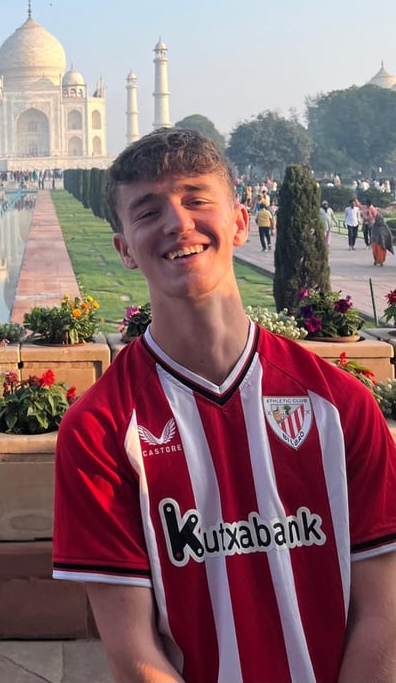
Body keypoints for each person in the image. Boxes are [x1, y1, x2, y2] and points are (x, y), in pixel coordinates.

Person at [52, 128, 396, 683]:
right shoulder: (101, 429)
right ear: (124, 250)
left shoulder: (338, 406)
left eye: (196, 199)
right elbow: (134, 652)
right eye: (148, 212)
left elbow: (382, 615)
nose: (177, 222)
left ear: (239, 222)